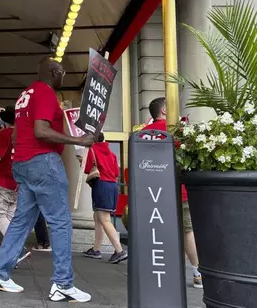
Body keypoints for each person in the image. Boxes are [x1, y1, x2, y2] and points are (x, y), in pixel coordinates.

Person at [0, 58, 94, 303]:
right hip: (44, 163)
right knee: (60, 221)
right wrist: (79, 141)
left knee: (21, 221)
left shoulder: (26, 95)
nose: (63, 76)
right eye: (62, 72)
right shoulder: (45, 92)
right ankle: (63, 283)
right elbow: (41, 131)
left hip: (23, 163)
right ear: (55, 72)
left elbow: (16, 136)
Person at [142, 97, 202, 289]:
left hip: (154, 191)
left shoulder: (143, 133)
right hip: (180, 189)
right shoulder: (176, 130)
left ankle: (160, 271)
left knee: (158, 230)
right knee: (187, 231)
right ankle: (197, 271)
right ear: (165, 111)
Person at [0, 106, 31, 265]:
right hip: (18, 183)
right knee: (9, 217)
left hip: (3, 181)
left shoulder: (5, 134)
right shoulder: (24, 135)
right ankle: (11, 255)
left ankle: (18, 249)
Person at [81, 133, 128, 264]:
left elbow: (87, 168)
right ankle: (96, 249)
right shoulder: (112, 154)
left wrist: (81, 161)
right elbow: (117, 173)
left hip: (101, 185)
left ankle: (119, 251)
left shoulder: (93, 150)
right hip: (112, 185)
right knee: (97, 218)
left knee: (104, 219)